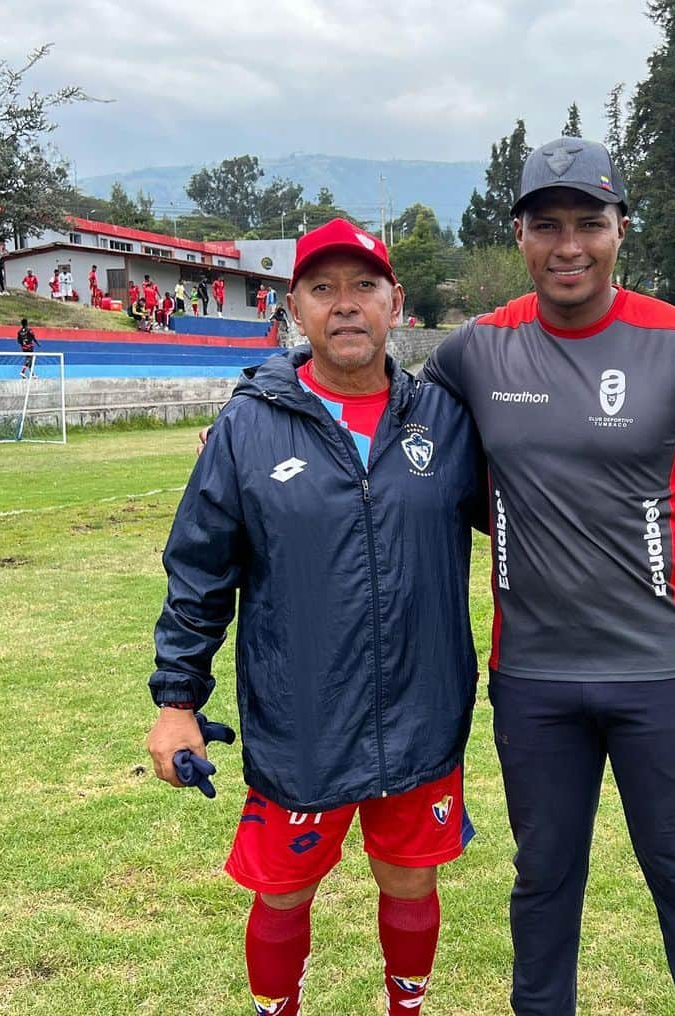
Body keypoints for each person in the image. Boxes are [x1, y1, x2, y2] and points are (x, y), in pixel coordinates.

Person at [422, 137, 675, 1015]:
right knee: (543, 880)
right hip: (534, 678)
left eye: (591, 221)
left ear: (622, 228)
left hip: (661, 670)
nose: (569, 244)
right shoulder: (476, 350)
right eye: (547, 225)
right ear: (519, 234)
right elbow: (380, 411)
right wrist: (256, 407)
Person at [148, 218, 484, 1016]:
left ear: (394, 302)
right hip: (300, 720)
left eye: (364, 286)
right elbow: (199, 570)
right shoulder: (246, 425)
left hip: (420, 714)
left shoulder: (445, 421)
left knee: (411, 880)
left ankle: (407, 1007)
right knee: (283, 892)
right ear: (293, 306)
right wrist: (175, 704)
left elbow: (528, 520)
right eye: (323, 288)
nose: (345, 306)